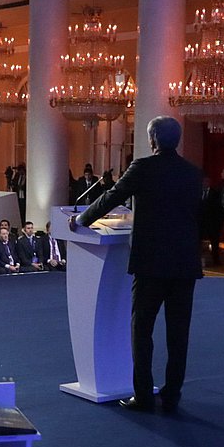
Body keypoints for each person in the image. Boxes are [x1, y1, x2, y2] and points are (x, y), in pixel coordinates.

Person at [69, 116, 202, 413]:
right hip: (184, 264)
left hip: (151, 264)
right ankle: (171, 396)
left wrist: (80, 220)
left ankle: (143, 396)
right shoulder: (192, 173)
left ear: (152, 140)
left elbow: (111, 197)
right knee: (179, 334)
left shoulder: (143, 167)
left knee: (142, 330)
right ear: (177, 141)